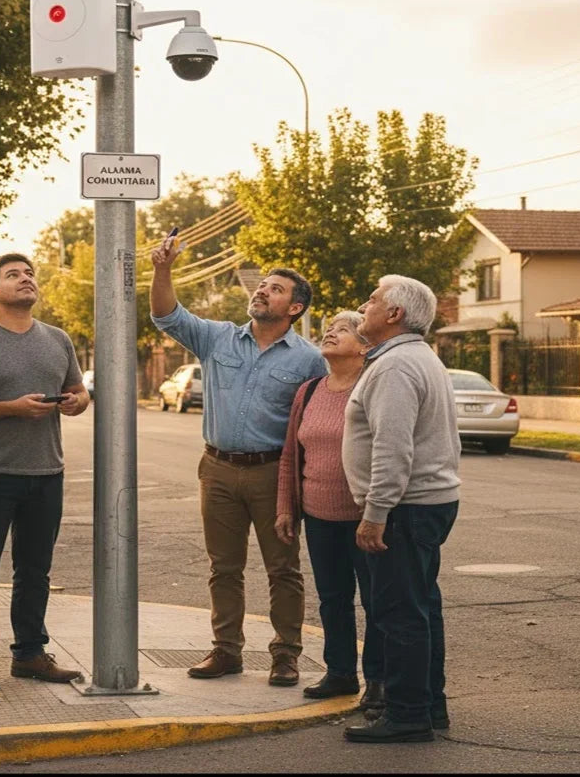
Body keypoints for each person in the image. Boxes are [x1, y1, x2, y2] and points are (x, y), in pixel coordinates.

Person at [150, 234, 325, 687]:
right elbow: (166, 315)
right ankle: (226, 651)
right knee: (222, 567)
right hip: (218, 469)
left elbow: (320, 420)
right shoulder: (217, 338)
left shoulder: (310, 360)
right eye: (262, 284)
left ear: (294, 308)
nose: (262, 290)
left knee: (283, 568)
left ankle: (286, 654)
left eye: (276, 288)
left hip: (274, 473)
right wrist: (163, 270)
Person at [0, 253, 90, 695]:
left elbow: (80, 391)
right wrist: (10, 408)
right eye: (14, 275)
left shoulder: (57, 339)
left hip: (46, 470)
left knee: (35, 570)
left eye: (29, 274)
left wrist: (75, 403)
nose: (26, 279)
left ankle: (29, 654)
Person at [341, 275, 461, 744]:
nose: (363, 306)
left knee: (400, 613)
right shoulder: (414, 358)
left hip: (406, 509)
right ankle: (430, 706)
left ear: (394, 315)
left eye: (372, 300)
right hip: (424, 505)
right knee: (421, 607)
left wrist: (376, 513)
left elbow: (393, 448)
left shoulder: (395, 367)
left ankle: (408, 715)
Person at [275, 310, 384, 710]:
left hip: (364, 517)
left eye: (342, 330)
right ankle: (340, 673)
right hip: (319, 516)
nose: (330, 334)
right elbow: (291, 455)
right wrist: (287, 507)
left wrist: (379, 511)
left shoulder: (372, 387)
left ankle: (378, 680)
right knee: (332, 598)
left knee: (376, 601)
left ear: (364, 345)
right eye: (329, 329)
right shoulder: (309, 391)